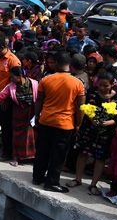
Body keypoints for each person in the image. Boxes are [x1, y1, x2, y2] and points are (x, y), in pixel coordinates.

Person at [34, 51, 86, 193]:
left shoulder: (46, 79)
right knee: (58, 155)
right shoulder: (78, 83)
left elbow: (39, 100)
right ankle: (51, 182)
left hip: (46, 120)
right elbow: (80, 107)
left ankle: (37, 177)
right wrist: (78, 124)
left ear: (57, 63)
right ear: (69, 65)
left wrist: (37, 116)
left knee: (42, 151)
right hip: (65, 124)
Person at [67, 73, 117, 195]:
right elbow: (87, 108)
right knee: (83, 153)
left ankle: (93, 184)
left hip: (105, 133)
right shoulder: (92, 94)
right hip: (89, 129)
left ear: (112, 85)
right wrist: (93, 120)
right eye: (100, 85)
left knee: (100, 158)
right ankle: (78, 179)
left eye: (106, 85)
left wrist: (107, 123)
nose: (102, 88)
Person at [0, 66, 38, 166]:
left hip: (31, 114)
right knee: (17, 136)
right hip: (18, 114)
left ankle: (30, 157)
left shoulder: (35, 84)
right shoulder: (11, 86)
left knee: (31, 136)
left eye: (12, 77)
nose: (11, 79)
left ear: (20, 76)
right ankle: (16, 157)